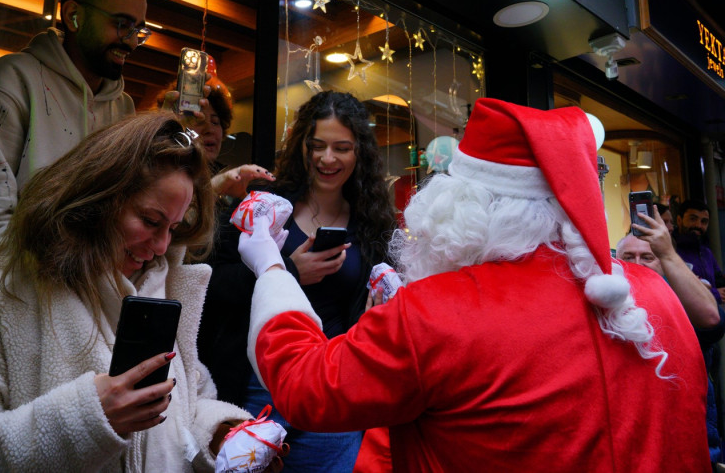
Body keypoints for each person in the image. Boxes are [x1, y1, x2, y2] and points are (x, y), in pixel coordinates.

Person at [238, 98, 709, 471]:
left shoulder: (436, 312)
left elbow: (307, 385)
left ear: (463, 206)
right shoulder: (653, 293)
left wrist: (271, 270)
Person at [0, 113, 260, 471]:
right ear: (98, 199)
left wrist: (221, 433)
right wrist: (86, 419)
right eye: (150, 221)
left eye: (173, 227)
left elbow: (190, 397)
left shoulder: (163, 287)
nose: (163, 245)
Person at [199, 90, 397, 472]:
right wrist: (288, 270)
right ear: (302, 145)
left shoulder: (371, 221)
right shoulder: (265, 201)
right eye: (317, 145)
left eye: (342, 147)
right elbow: (212, 281)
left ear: (359, 154)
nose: (327, 158)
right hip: (257, 381)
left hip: (332, 384)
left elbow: (368, 307)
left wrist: (379, 311)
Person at [0, 0, 149, 253]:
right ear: (73, 16)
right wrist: (18, 288)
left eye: (138, 30)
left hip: (88, 287)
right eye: (121, 25)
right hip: (19, 284)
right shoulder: (16, 77)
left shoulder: (124, 106)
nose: (131, 42)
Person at [616, 213, 724, 466]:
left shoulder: (680, 294)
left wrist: (668, 254)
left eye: (648, 257)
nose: (638, 264)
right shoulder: (609, 299)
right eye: (628, 257)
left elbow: (711, 320)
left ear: (665, 264)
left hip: (684, 425)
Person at [674, 199, 725, 303]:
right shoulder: (671, 250)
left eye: (704, 222)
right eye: (693, 219)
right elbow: (675, 289)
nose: (698, 225)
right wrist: (714, 294)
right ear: (679, 220)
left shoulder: (706, 252)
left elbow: (718, 280)